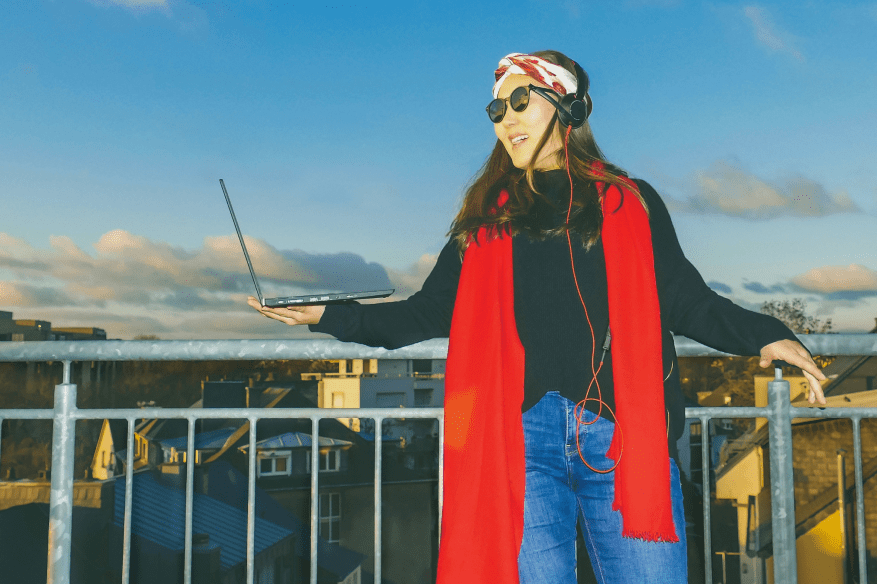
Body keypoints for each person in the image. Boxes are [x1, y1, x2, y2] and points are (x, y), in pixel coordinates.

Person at [250, 50, 827, 584]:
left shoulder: (628, 201)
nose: (505, 119)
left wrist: (767, 335)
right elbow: (425, 314)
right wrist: (325, 315)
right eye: (496, 109)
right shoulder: (485, 219)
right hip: (518, 444)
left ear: (569, 107)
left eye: (521, 101)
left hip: (620, 438)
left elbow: (685, 300)